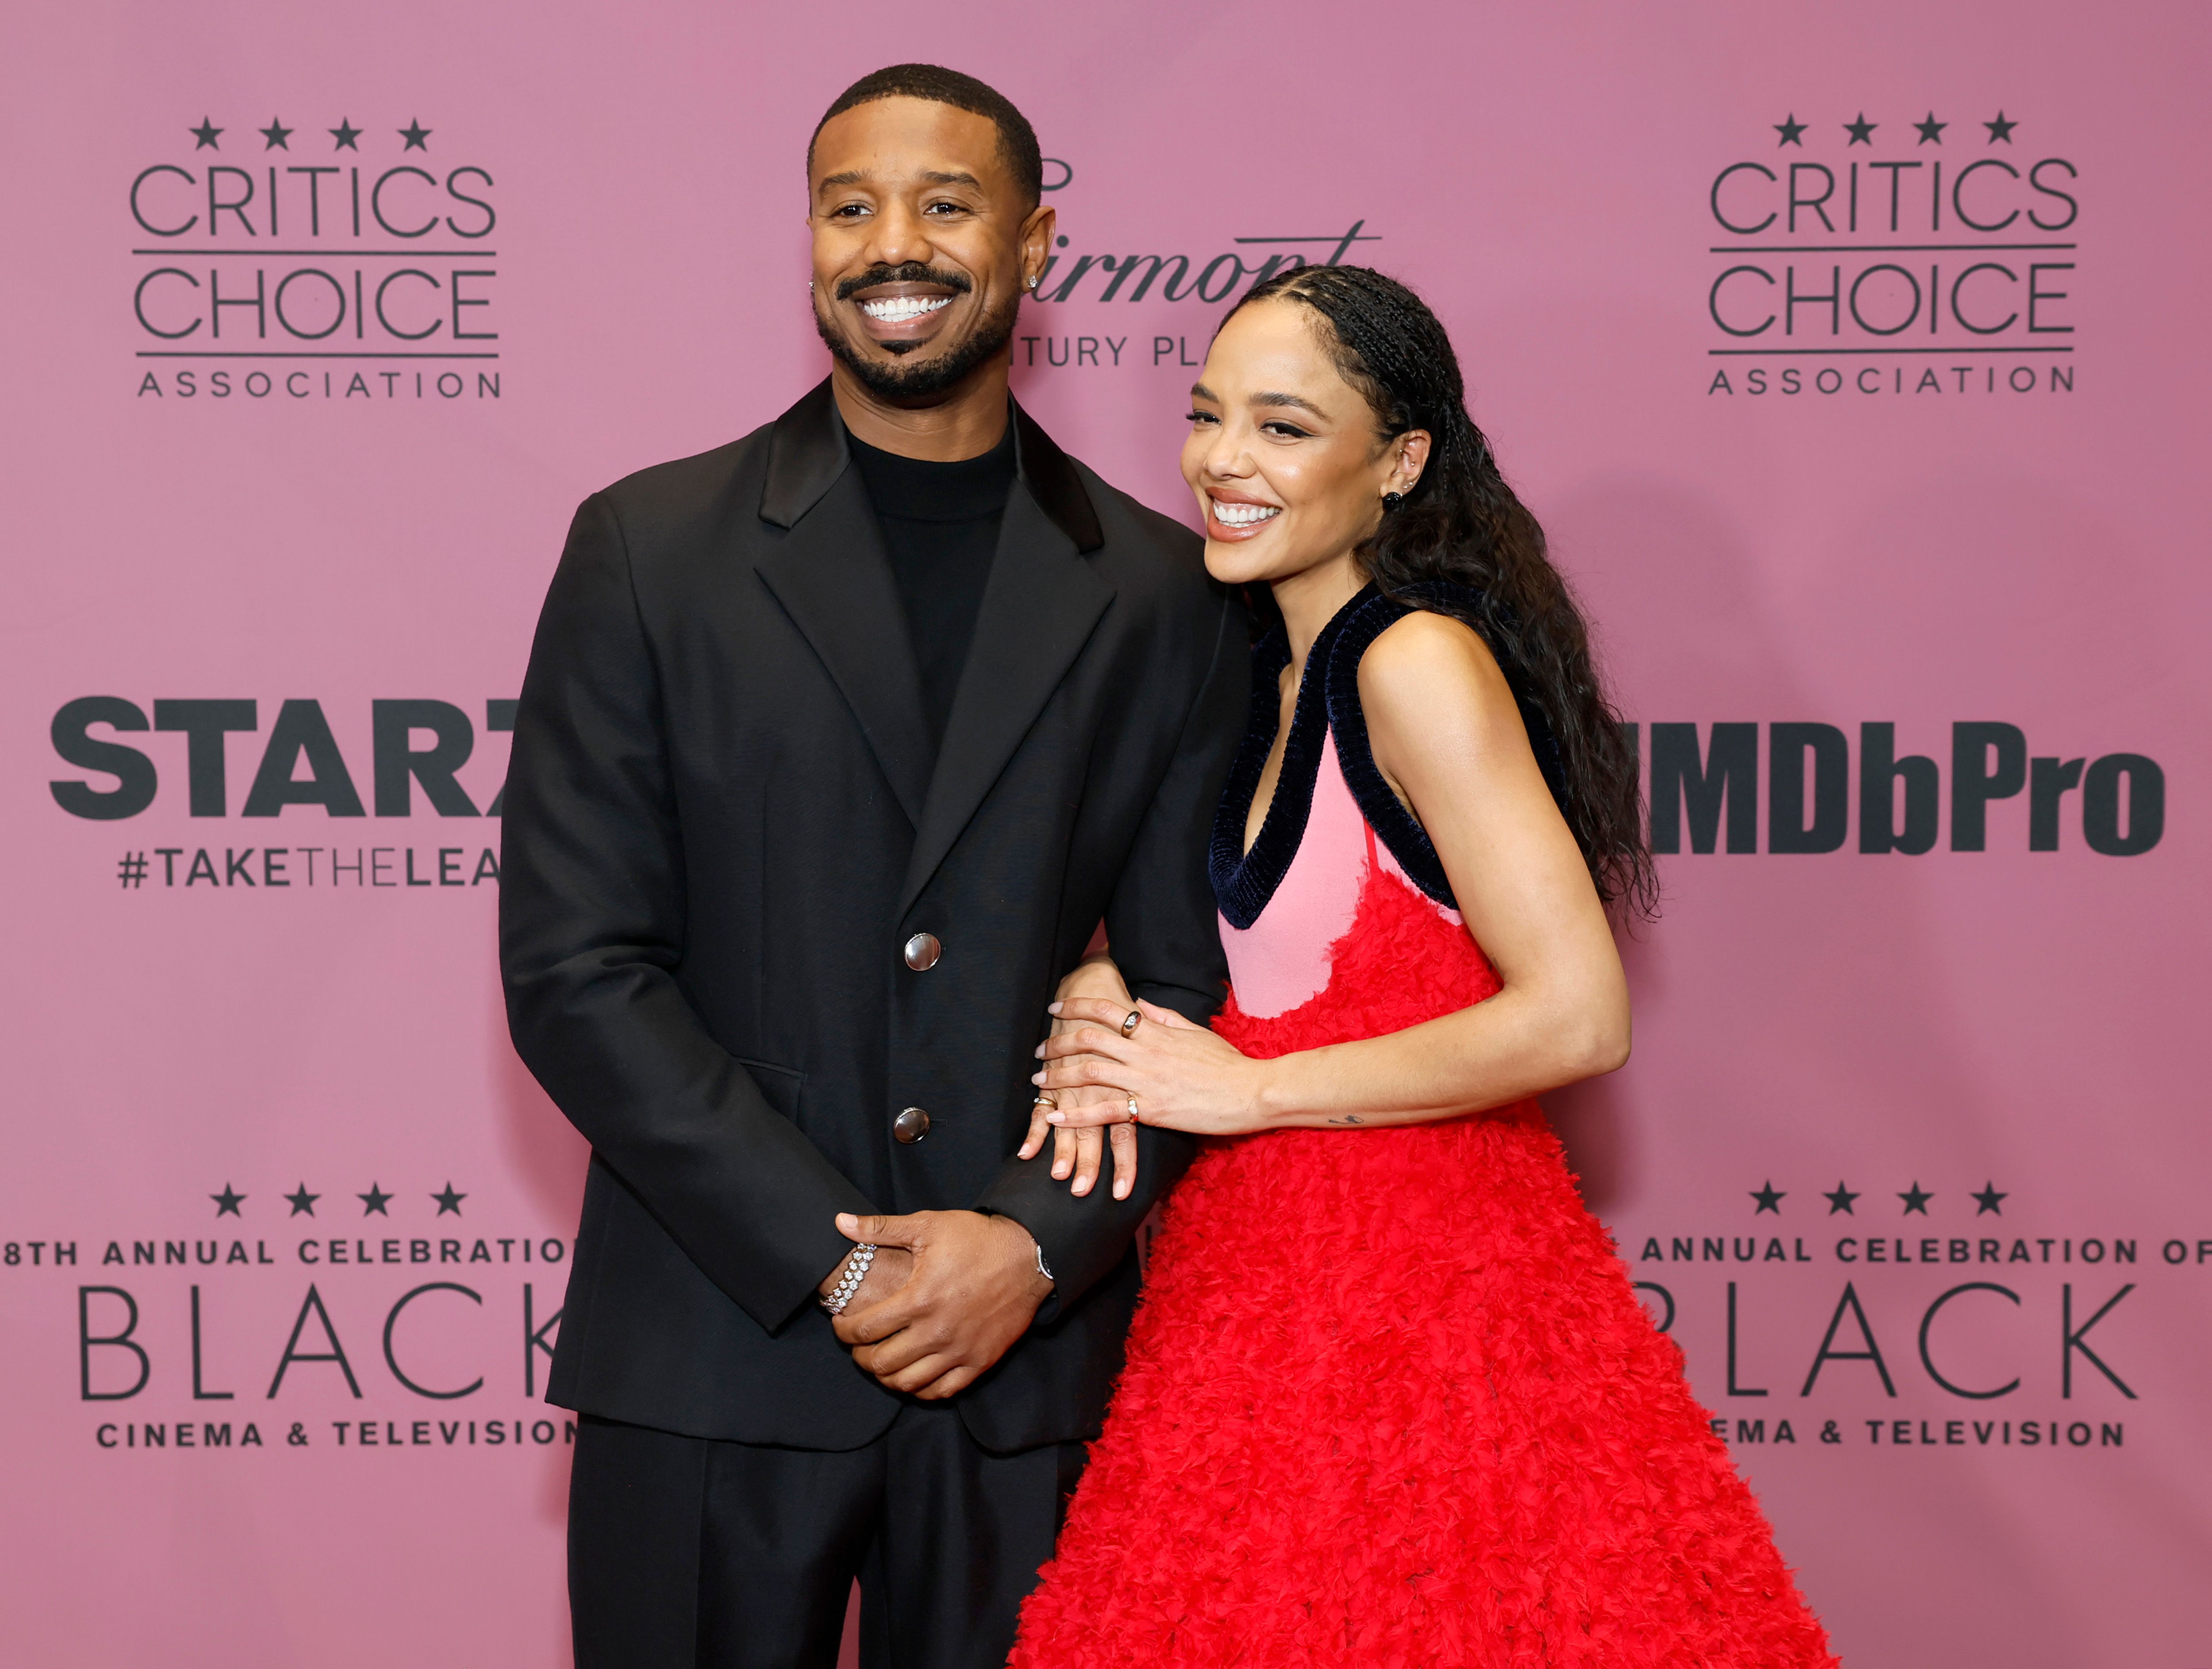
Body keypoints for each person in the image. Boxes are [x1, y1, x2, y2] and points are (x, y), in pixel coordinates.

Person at [497, 64, 1246, 1669]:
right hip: (714, 1351)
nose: (889, 244)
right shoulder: (648, 550)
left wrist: (1030, 1245)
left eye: (946, 204)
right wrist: (836, 1260)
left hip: (1027, 1383)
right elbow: (578, 972)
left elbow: (1185, 987)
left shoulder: (1168, 597)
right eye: (850, 207)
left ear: (1039, 244)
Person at [1008, 265, 1836, 1666]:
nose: (1223, 462)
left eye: (1283, 427)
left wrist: (1250, 1093)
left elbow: (1579, 1013)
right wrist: (1106, 986)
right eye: (1210, 417)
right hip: (1250, 1305)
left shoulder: (1416, 664)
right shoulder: (1250, 674)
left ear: (1399, 462)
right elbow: (1253, 959)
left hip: (1437, 1320)